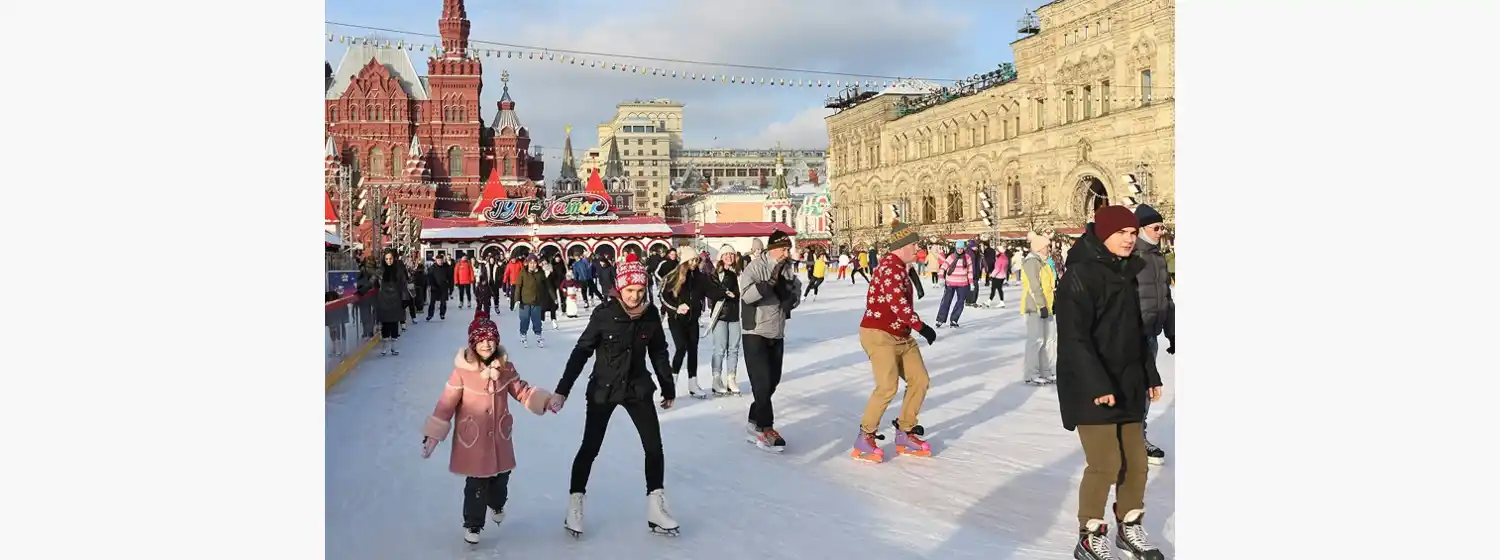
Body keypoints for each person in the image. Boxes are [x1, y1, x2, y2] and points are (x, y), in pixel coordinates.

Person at [1055, 206, 1166, 560]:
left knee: (1136, 463)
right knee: (1105, 463)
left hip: (1127, 382)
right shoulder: (1079, 275)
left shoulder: (1128, 270)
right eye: (1122, 233)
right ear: (1104, 235)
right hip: (1091, 385)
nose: (1130, 239)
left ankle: (1129, 528)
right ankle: (1089, 535)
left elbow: (1136, 331)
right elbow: (1074, 338)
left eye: (1133, 233)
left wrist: (1149, 373)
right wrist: (1097, 385)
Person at [549, 254, 679, 538]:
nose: (635, 296)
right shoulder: (604, 315)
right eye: (630, 290)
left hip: (637, 388)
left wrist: (667, 386)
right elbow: (581, 352)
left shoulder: (650, 315)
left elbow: (659, 351)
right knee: (590, 448)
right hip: (603, 390)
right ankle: (575, 504)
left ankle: (656, 506)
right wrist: (562, 390)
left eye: (640, 290)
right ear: (620, 287)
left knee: (654, 447)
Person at [419, 310, 553, 545]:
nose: (486, 344)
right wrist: (433, 436)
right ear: (473, 343)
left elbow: (522, 391)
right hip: (473, 440)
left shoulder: (506, 368)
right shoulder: (462, 373)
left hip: (500, 438)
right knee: (476, 485)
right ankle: (473, 524)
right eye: (481, 340)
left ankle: (497, 503)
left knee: (501, 481)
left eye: (491, 339)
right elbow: (446, 404)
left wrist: (545, 401)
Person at [851, 220, 937, 463]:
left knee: (920, 380)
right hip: (879, 333)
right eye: (914, 244)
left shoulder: (901, 267)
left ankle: (905, 431)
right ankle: (865, 436)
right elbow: (898, 304)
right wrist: (922, 327)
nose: (917, 248)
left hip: (901, 334)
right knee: (888, 386)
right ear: (902, 246)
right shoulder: (890, 268)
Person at [738, 231, 802, 452]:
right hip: (755, 331)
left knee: (772, 381)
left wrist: (791, 297)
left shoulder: (787, 269)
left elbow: (795, 291)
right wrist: (768, 285)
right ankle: (765, 428)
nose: (786, 253)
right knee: (762, 383)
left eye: (788, 249)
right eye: (783, 249)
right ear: (772, 249)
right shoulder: (755, 267)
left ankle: (753, 420)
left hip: (776, 331)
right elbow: (746, 296)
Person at [1132, 204, 1175, 466]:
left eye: (1162, 227)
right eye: (1156, 227)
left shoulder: (1157, 256)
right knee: (1136, 388)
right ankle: (1132, 439)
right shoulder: (1132, 255)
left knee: (1147, 388)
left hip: (1152, 333)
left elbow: (1166, 298)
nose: (1161, 232)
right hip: (1133, 334)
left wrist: (1172, 332)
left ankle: (1138, 435)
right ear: (1141, 229)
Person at [660, 249, 721, 399]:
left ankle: (693, 384)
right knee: (681, 348)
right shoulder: (674, 277)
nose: (694, 263)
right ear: (685, 261)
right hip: (676, 320)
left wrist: (726, 294)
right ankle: (671, 384)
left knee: (693, 350)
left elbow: (711, 292)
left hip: (693, 319)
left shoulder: (700, 277)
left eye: (696, 260)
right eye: (692, 260)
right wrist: (676, 308)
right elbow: (663, 297)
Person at [1020, 232, 1058, 385]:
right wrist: (1041, 305)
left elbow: (1049, 285)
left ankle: (1046, 371)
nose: (1049, 249)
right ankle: (1031, 373)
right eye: (1047, 246)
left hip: (1048, 306)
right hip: (1034, 307)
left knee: (1049, 340)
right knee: (1036, 340)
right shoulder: (1032, 262)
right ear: (1040, 247)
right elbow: (1034, 286)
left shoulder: (1045, 262)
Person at [706, 247, 743, 396]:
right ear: (721, 257)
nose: (729, 257)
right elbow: (711, 292)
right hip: (720, 314)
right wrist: (726, 293)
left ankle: (731, 378)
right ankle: (716, 379)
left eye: (731, 254)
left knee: (734, 348)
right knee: (719, 349)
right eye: (726, 254)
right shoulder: (717, 273)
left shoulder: (740, 273)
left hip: (735, 315)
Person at [512, 256, 553, 348]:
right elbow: (518, 287)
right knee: (524, 319)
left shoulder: (540, 273)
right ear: (527, 263)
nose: (532, 265)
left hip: (536, 301)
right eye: (531, 263)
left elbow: (547, 286)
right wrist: (517, 300)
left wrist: (553, 298)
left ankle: (538, 336)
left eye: (534, 263)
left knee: (537, 320)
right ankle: (523, 334)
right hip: (524, 302)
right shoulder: (523, 272)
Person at [375, 248, 409, 356]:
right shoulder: (380, 271)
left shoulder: (398, 271)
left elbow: (404, 285)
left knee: (394, 325)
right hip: (384, 301)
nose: (389, 261)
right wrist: (361, 290)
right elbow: (371, 281)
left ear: (393, 259)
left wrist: (405, 299)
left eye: (390, 258)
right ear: (384, 259)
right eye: (387, 259)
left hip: (395, 301)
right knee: (385, 325)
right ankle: (384, 347)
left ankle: (394, 347)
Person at [934, 240, 975, 328]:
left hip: (963, 283)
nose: (960, 250)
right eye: (958, 248)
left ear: (964, 248)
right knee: (946, 301)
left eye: (961, 248)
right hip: (950, 283)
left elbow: (970, 271)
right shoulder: (951, 257)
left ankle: (954, 320)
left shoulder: (967, 257)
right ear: (956, 248)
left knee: (960, 302)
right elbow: (943, 267)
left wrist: (971, 283)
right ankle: (940, 319)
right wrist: (941, 278)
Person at [427, 253, 453, 321]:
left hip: (443, 287)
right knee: (432, 302)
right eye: (438, 260)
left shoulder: (446, 267)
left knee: (443, 302)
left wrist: (450, 288)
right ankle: (430, 315)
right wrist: (431, 285)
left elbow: (450, 278)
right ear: (436, 260)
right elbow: (429, 277)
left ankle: (442, 314)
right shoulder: (432, 268)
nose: (440, 262)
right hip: (434, 287)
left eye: (441, 260)